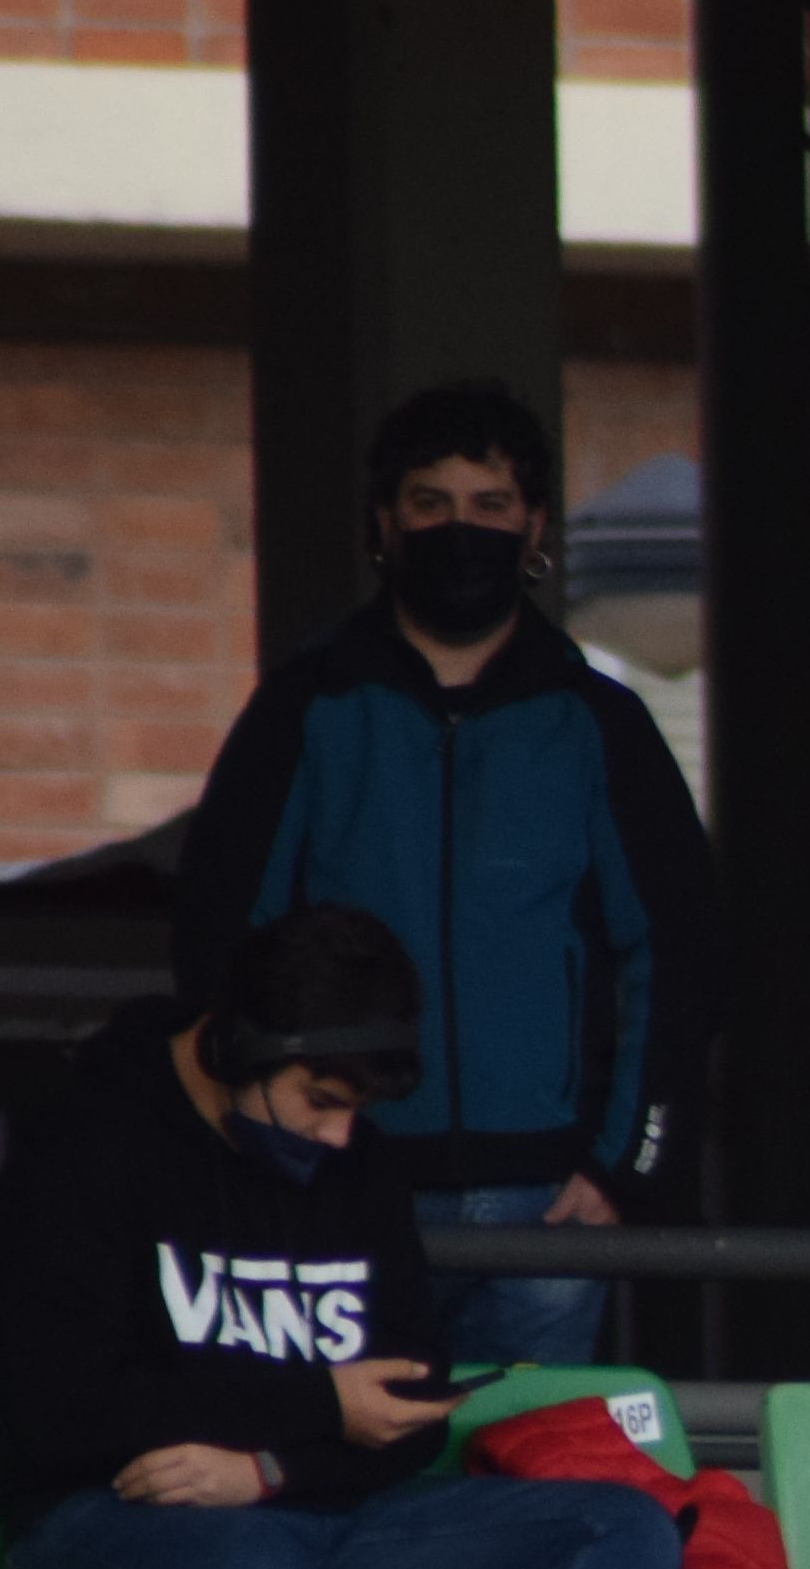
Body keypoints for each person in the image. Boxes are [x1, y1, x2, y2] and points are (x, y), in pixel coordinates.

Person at [0, 900, 685, 1569]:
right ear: (232, 1046)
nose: (340, 1132)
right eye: (318, 1098)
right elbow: (63, 1409)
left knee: (627, 1532)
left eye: (356, 1106)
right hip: (110, 1520)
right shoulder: (87, 1145)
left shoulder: (357, 1164)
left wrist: (272, 1466)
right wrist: (311, 1402)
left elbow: (405, 1400)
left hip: (315, 1514)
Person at [172, 377, 715, 1373]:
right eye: (431, 504)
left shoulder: (597, 728)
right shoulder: (309, 711)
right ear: (385, 523)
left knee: (531, 1494)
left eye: (489, 506)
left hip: (547, 1202)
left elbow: (673, 953)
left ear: (535, 526)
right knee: (355, 1490)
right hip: (342, 1182)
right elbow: (220, 940)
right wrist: (265, 1148)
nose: (460, 530)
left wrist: (624, 1168)